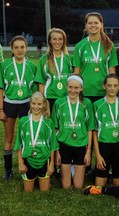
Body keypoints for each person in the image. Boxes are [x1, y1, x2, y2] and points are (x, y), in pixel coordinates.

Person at [0, 36, 37, 180]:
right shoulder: (5, 65)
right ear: (12, 49)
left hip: (26, 104)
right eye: (16, 47)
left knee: (26, 137)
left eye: (22, 47)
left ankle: (27, 167)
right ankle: (8, 170)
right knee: (9, 138)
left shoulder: (32, 66)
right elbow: (1, 89)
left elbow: (35, 90)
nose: (19, 50)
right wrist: (1, 109)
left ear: (26, 48)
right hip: (9, 104)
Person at [51, 74, 95, 189]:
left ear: (81, 88)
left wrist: (88, 151)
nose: (73, 90)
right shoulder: (59, 103)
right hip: (64, 144)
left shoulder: (87, 103)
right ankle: (68, 170)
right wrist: (57, 152)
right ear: (66, 87)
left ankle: (73, 170)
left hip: (80, 144)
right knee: (66, 186)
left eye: (76, 88)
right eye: (70, 87)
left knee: (78, 186)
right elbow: (55, 128)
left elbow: (90, 128)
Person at [93, 74, 119, 186]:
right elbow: (95, 132)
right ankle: (106, 175)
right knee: (99, 185)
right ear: (104, 86)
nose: (112, 88)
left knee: (118, 185)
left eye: (115, 85)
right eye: (109, 85)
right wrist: (98, 156)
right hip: (103, 145)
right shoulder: (97, 105)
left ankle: (113, 176)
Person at [14, 92, 58, 192]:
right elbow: (19, 143)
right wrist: (21, 163)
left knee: (44, 191)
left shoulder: (48, 122)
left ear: (44, 104)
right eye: (33, 104)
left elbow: (53, 144)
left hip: (43, 159)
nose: (36, 107)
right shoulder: (23, 121)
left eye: (39, 104)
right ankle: (33, 177)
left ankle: (41, 177)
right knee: (28, 191)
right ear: (30, 104)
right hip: (28, 159)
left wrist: (51, 165)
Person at [73, 12, 118, 103]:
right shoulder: (79, 46)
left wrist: (112, 91)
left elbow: (112, 72)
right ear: (86, 25)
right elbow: (76, 72)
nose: (93, 25)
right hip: (85, 92)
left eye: (96, 23)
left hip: (104, 92)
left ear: (101, 24)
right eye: (90, 23)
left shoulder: (109, 45)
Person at [35, 28, 73, 112]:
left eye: (60, 39)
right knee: (51, 124)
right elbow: (41, 83)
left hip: (67, 97)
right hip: (50, 97)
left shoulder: (70, 59)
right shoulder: (44, 59)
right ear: (50, 41)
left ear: (64, 41)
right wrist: (43, 101)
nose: (57, 42)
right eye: (54, 39)